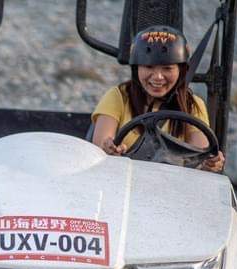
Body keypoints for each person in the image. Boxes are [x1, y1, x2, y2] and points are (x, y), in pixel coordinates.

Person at [91, 26, 225, 172]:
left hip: (172, 182)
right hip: (123, 179)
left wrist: (208, 164)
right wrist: (109, 149)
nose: (158, 77)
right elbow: (100, 146)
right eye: (149, 67)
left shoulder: (192, 105)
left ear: (181, 70)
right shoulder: (118, 96)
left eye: (167, 68)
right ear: (136, 68)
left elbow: (199, 156)